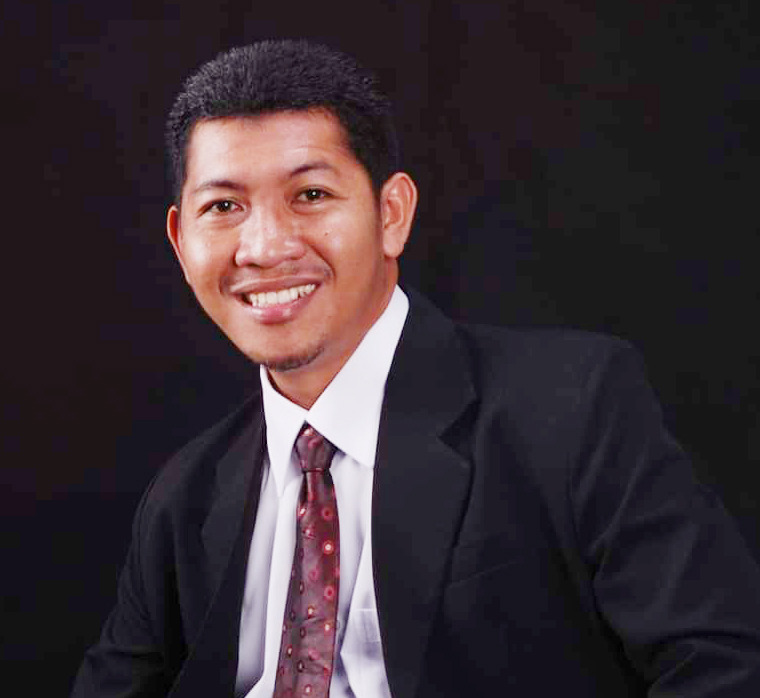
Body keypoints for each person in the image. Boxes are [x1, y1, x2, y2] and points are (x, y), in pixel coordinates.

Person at [71, 40, 760, 697]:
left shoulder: (571, 409)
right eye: (224, 207)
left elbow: (724, 665)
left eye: (310, 195)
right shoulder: (185, 495)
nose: (266, 246)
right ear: (180, 241)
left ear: (392, 214)